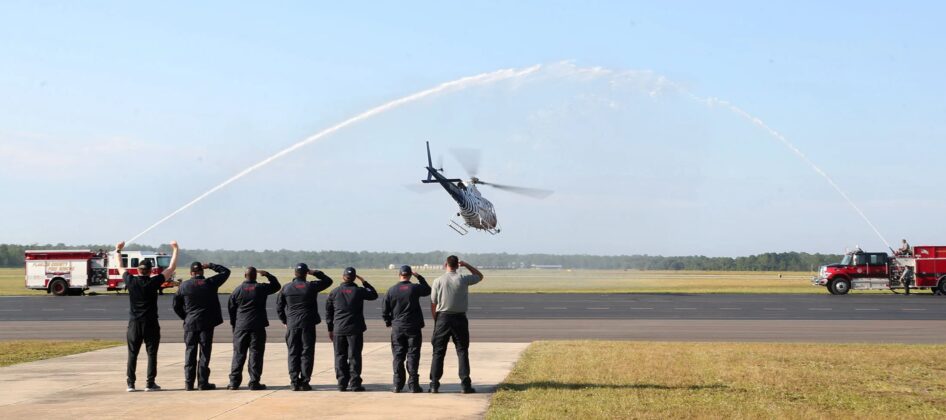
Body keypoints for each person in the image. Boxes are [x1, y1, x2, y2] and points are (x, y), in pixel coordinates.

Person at [117, 240, 179, 392]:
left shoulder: (131, 281)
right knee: (152, 354)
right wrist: (175, 249)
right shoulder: (154, 282)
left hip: (134, 323)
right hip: (150, 322)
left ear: (138, 270)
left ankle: (130, 383)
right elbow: (171, 268)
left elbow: (120, 267)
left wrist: (118, 250)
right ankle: (150, 383)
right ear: (151, 271)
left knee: (132, 354)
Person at [172, 261, 231, 391]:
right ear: (202, 271)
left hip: (190, 323)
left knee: (190, 352)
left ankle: (189, 383)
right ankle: (203, 383)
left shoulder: (184, 286)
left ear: (191, 273)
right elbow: (226, 272)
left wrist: (185, 317)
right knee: (204, 353)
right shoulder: (210, 283)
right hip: (206, 323)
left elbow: (176, 305)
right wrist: (211, 265)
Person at [428, 255, 483, 394]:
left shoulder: (438, 280)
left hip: (443, 318)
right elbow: (479, 276)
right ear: (458, 265)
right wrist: (467, 264)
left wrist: (436, 320)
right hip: (459, 318)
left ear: (445, 264)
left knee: (438, 352)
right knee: (462, 351)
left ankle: (434, 384)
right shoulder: (463, 278)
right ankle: (465, 384)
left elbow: (433, 302)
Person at [275, 263, 333, 391]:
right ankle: (305, 382)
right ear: (306, 273)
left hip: (292, 324)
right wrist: (315, 272)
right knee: (307, 353)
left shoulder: (286, 288)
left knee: (293, 353)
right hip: (308, 324)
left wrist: (285, 320)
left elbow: (279, 306)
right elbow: (328, 281)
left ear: (295, 273)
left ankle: (294, 381)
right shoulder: (311, 286)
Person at [326, 267, 379, 392]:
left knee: (340, 356)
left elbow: (329, 313)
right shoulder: (359, 291)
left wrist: (330, 329)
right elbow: (374, 295)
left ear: (343, 277)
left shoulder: (334, 292)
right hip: (355, 329)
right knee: (354, 356)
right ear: (355, 278)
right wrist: (365, 282)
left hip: (339, 329)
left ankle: (341, 383)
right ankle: (355, 384)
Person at [227, 267, 280, 390]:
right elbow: (276, 286)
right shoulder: (261, 288)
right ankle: (254, 382)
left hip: (241, 326)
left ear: (245, 275)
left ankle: (234, 382)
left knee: (238, 354)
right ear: (255, 276)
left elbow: (231, 309)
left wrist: (235, 325)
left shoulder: (237, 290)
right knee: (256, 354)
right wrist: (267, 275)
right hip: (257, 326)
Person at [382, 265, 431, 393]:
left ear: (399, 275)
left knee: (398, 355)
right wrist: (419, 277)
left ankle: (397, 385)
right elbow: (428, 290)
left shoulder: (391, 290)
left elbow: (385, 309)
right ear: (410, 275)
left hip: (398, 327)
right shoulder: (414, 288)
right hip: (413, 326)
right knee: (413, 355)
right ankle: (413, 385)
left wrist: (388, 322)